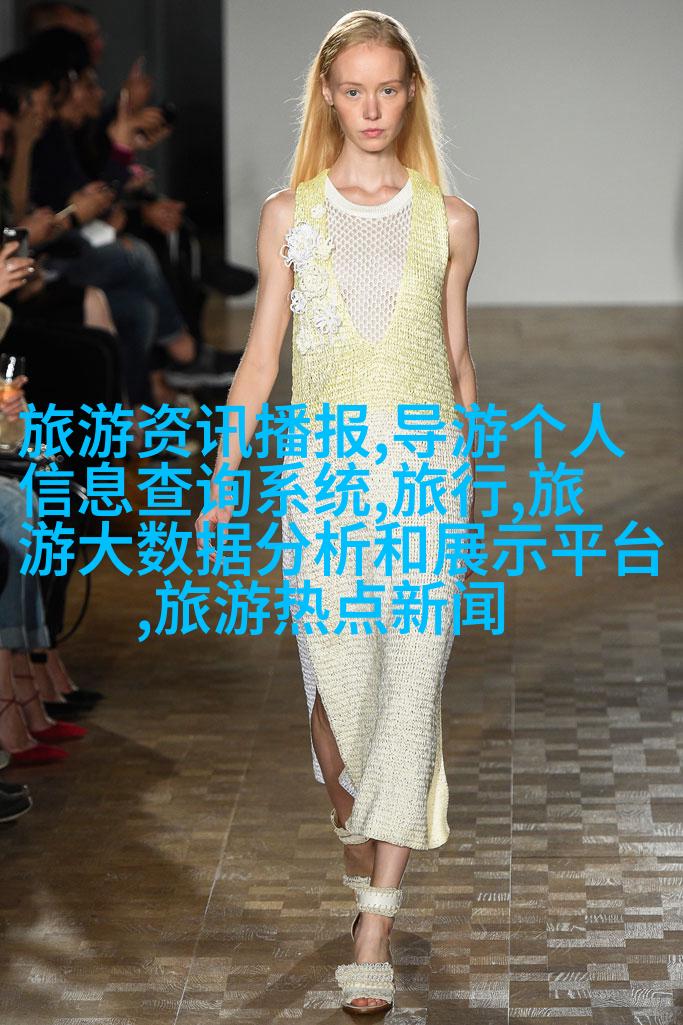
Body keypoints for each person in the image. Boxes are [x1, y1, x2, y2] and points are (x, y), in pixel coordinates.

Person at [195, 10, 479, 1015]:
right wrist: (224, 471)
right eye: (353, 88)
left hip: (425, 483)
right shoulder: (290, 215)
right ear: (326, 93)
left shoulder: (450, 220)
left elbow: (455, 357)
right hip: (323, 485)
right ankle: (358, 833)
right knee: (338, 704)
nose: (370, 107)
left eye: (387, 88)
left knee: (410, 690)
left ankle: (376, 921)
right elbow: (260, 357)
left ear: (409, 94)